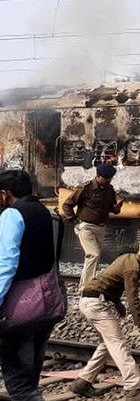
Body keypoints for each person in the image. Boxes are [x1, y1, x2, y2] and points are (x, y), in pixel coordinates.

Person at [69, 233, 140, 401]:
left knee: (107, 344)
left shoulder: (128, 258)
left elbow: (110, 281)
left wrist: (117, 303)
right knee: (118, 344)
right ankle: (134, 389)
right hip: (96, 304)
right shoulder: (133, 268)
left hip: (90, 301)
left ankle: (82, 382)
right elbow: (134, 300)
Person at [0, 170, 64, 401]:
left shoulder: (12, 215)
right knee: (30, 380)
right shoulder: (47, 213)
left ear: (5, 194)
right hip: (46, 303)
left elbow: (6, 264)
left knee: (20, 387)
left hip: (20, 309)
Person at [62, 163, 124, 289]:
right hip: (86, 226)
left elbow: (113, 210)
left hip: (100, 227)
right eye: (106, 178)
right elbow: (67, 205)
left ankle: (87, 285)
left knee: (95, 257)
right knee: (93, 255)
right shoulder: (85, 188)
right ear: (98, 176)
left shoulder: (109, 190)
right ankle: (87, 288)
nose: (108, 180)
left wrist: (118, 206)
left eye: (110, 178)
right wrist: (75, 222)